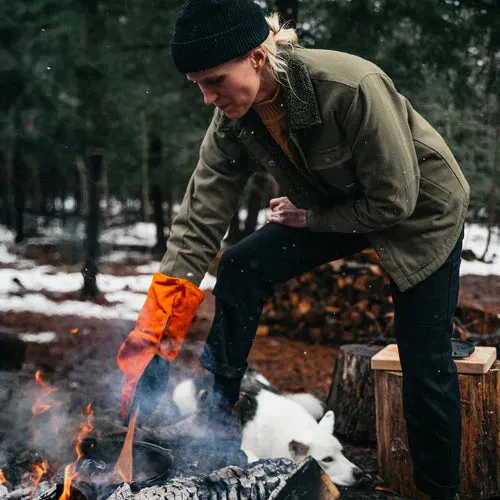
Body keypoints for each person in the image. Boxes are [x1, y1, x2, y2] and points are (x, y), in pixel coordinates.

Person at [117, 1, 469, 498]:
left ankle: (440, 490)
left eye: (214, 80)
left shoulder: (351, 86)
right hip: (332, 206)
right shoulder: (233, 118)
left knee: (423, 360)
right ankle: (219, 436)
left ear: (257, 59)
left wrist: (313, 219)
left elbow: (394, 200)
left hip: (420, 213)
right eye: (197, 84)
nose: (206, 98)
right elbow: (198, 219)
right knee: (241, 264)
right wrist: (152, 337)